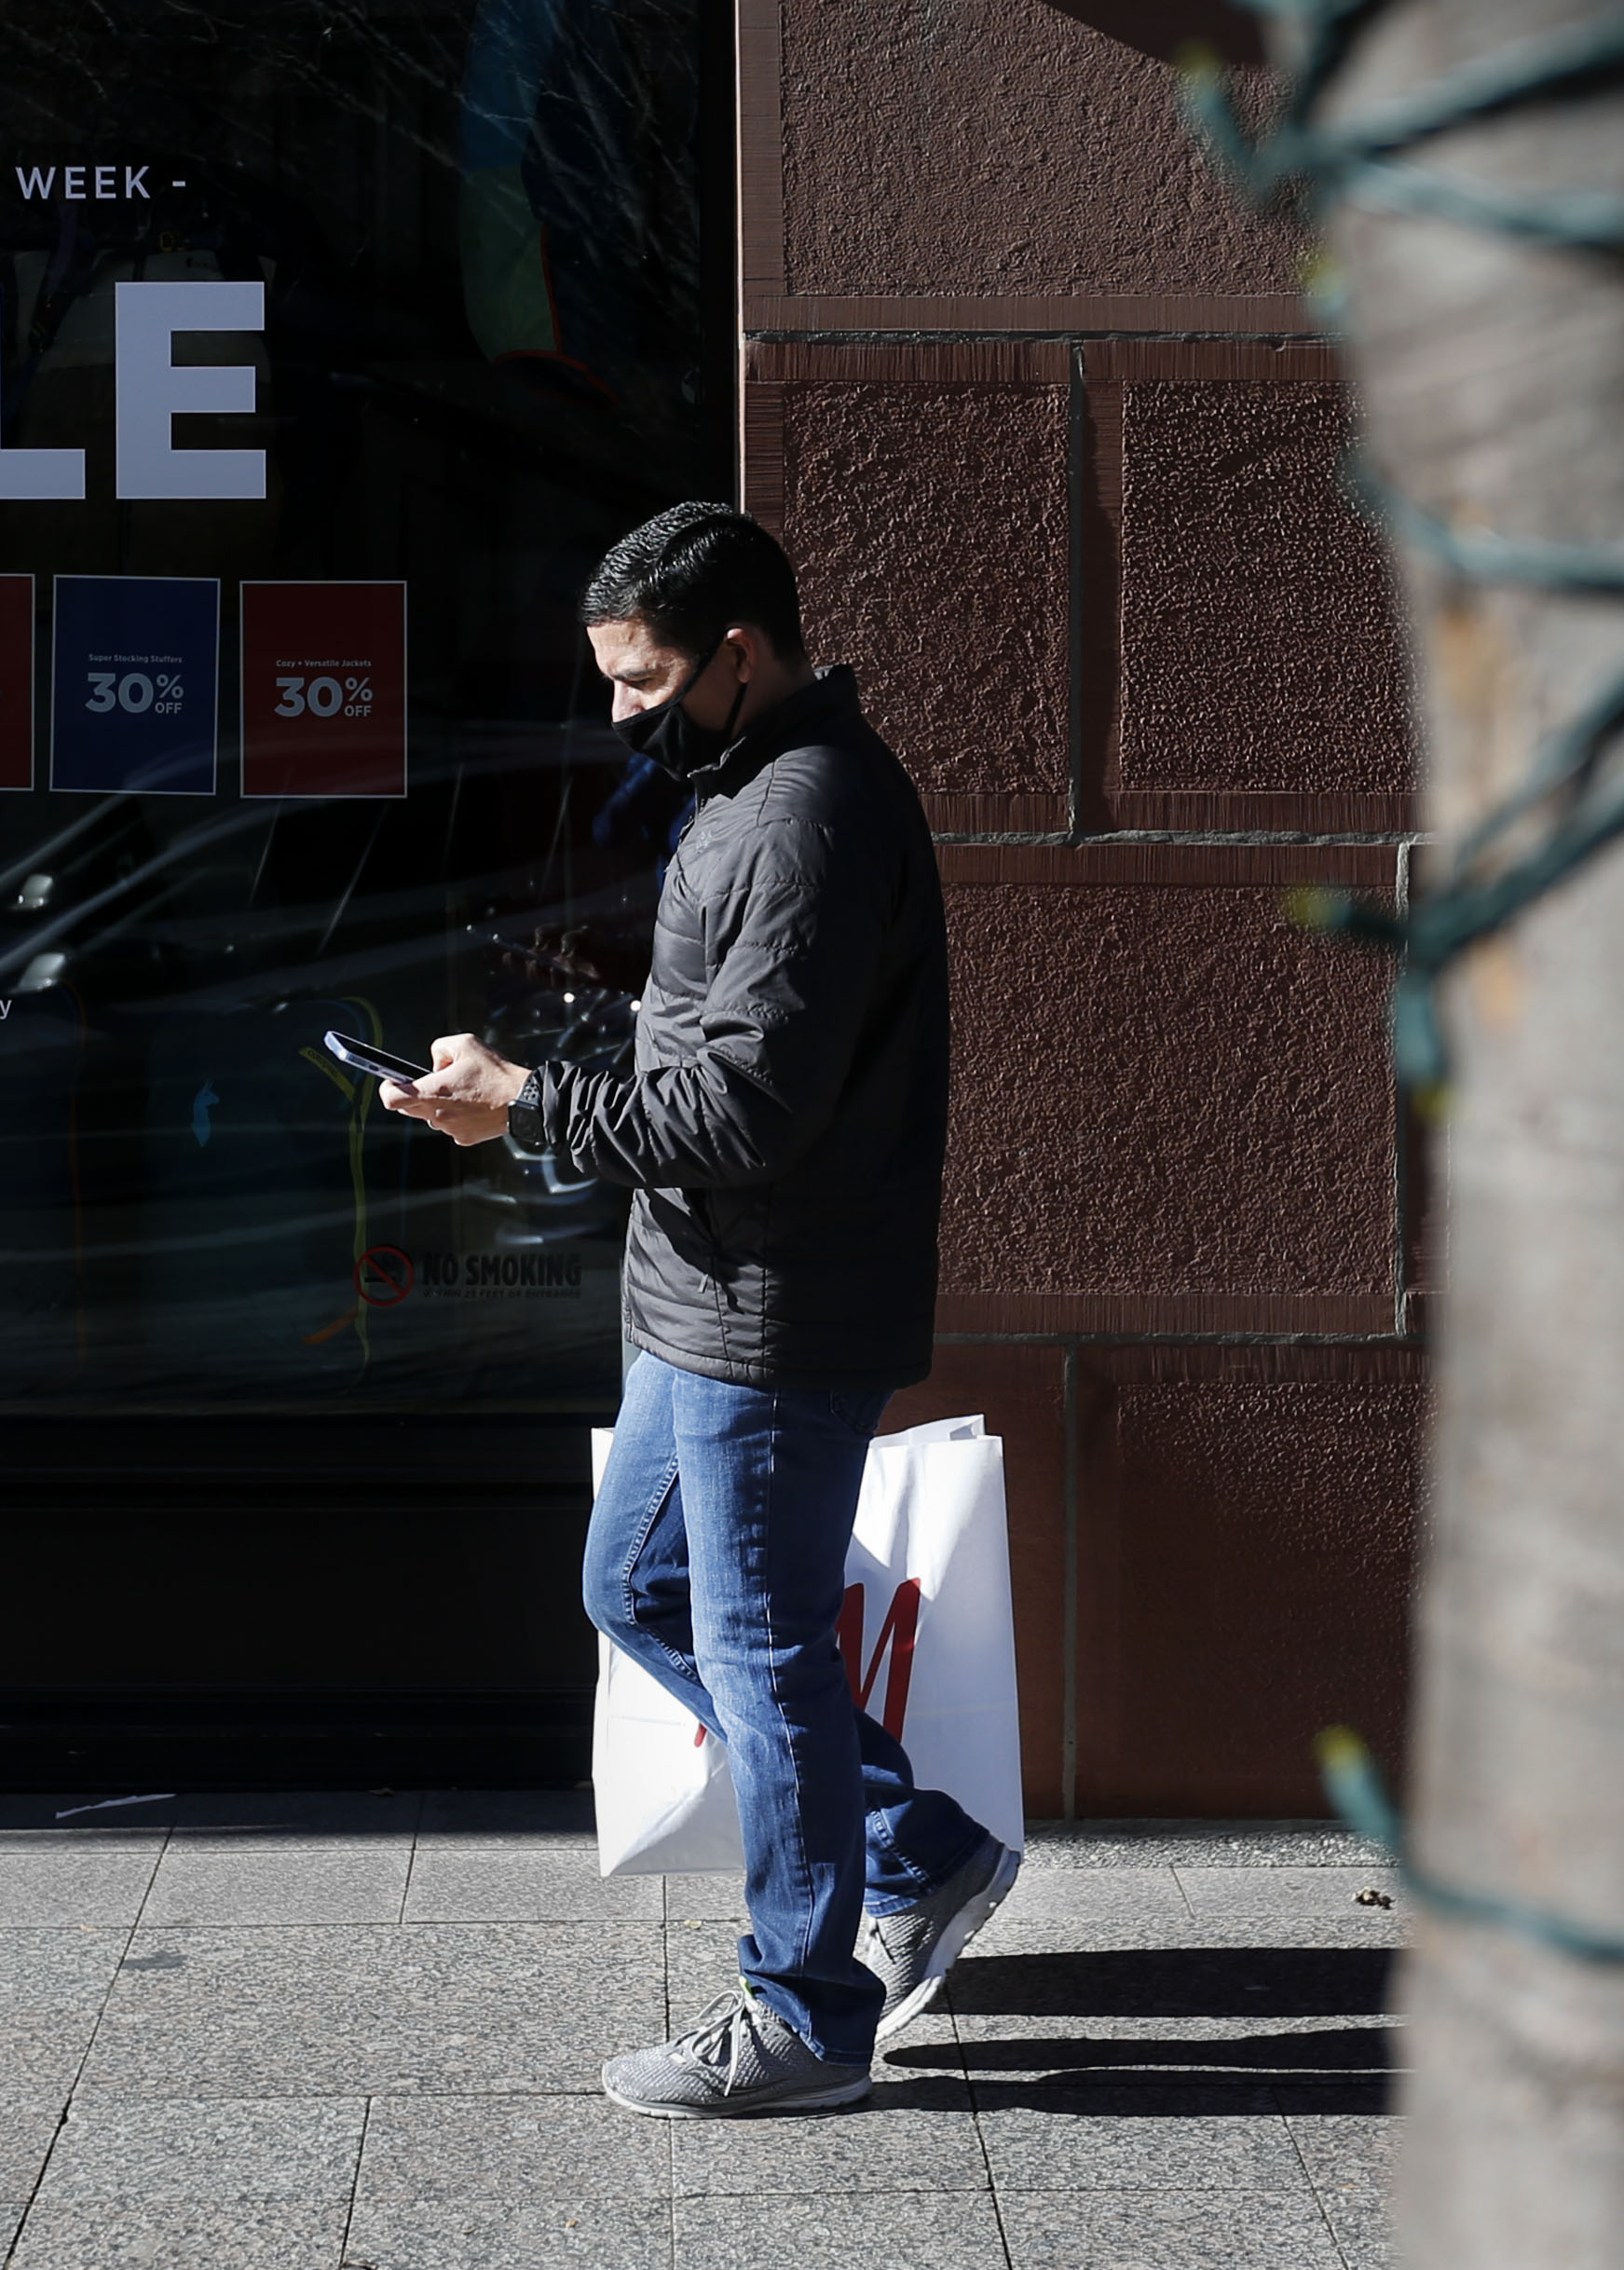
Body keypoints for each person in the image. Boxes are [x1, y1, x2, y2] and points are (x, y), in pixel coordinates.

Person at [386, 501, 1020, 2117]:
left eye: (647, 678)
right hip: (707, 1295)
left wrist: (530, 1103)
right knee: (640, 1585)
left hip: (766, 1305)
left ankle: (803, 2020)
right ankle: (918, 1846)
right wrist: (572, 1046)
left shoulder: (805, 817)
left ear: (740, 654)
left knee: (758, 1641)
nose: (624, 715)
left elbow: (745, 1114)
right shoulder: (753, 789)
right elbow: (724, 1041)